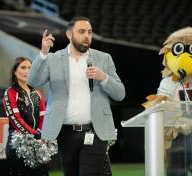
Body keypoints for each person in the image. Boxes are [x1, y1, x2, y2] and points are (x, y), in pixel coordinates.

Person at [27, 16, 125, 176]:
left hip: (95, 131)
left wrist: (103, 77)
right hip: (65, 132)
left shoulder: (103, 58)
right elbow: (33, 80)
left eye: (90, 32)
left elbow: (120, 94)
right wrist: (43, 54)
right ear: (69, 34)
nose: (87, 35)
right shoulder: (53, 59)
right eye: (82, 31)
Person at [3, 57, 49, 176]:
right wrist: (33, 134)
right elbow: (15, 119)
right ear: (14, 71)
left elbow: (43, 116)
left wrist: (39, 132)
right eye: (23, 68)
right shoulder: (11, 92)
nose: (27, 71)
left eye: (30, 68)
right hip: (18, 146)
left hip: (38, 143)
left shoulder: (37, 93)